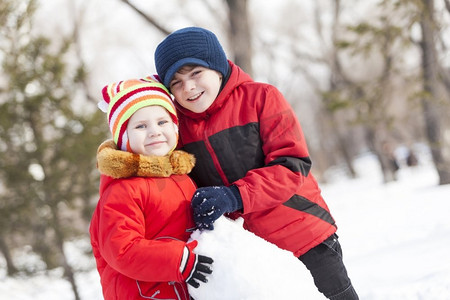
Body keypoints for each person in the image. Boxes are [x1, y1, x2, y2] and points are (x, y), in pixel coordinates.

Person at [154, 27, 359, 300]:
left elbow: (292, 164)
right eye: (176, 82)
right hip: (250, 257)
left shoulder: (261, 98)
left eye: (195, 73)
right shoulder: (176, 130)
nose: (188, 87)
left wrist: (234, 195)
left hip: (305, 238)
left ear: (217, 67)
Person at [89, 76, 213, 300]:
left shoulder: (181, 176)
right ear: (124, 138)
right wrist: (180, 260)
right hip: (144, 293)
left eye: (162, 122)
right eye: (141, 126)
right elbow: (122, 249)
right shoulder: (123, 189)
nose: (154, 131)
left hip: (180, 287)